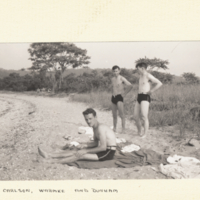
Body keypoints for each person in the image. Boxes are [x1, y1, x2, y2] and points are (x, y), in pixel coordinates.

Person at [38, 108, 117, 164]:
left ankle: (51, 161)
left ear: (96, 117)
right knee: (76, 151)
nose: (88, 121)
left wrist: (85, 150)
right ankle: (49, 155)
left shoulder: (100, 128)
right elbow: (95, 143)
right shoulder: (94, 127)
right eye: (86, 119)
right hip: (104, 150)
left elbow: (103, 147)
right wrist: (84, 145)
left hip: (108, 153)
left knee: (80, 155)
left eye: (90, 118)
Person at [133, 62, 163, 138]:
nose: (137, 70)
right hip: (139, 96)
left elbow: (159, 83)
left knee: (144, 116)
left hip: (145, 96)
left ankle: (145, 134)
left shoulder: (148, 75)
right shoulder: (140, 76)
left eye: (138, 69)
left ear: (142, 68)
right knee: (135, 116)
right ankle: (139, 131)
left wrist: (151, 91)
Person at [111, 65, 133, 134]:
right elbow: (114, 87)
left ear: (119, 71)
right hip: (113, 97)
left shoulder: (122, 78)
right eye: (114, 71)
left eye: (116, 71)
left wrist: (125, 93)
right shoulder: (112, 79)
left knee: (121, 114)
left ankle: (123, 129)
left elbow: (130, 85)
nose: (115, 72)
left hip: (119, 97)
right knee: (114, 115)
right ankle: (114, 128)